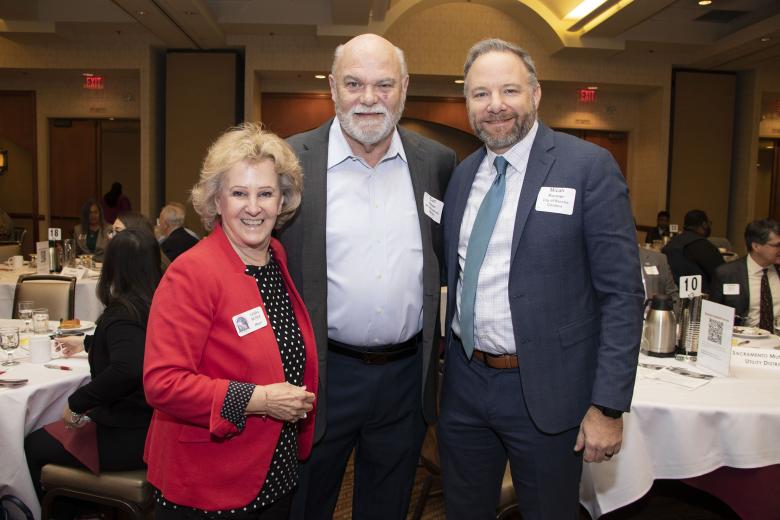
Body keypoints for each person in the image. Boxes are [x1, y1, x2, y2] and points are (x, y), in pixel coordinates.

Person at [438, 39, 644, 519]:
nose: (496, 106)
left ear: (535, 94)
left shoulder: (587, 167)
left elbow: (622, 294)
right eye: (480, 94)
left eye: (509, 90)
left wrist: (608, 407)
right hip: (465, 386)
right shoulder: (464, 175)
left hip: (549, 392)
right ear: (467, 103)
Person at [277, 33, 456, 520]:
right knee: (305, 505)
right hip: (319, 375)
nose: (369, 98)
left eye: (384, 84)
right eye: (354, 84)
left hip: (405, 379)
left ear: (404, 88)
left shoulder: (437, 163)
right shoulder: (290, 162)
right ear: (333, 87)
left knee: (387, 505)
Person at [143, 123, 317, 519]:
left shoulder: (275, 258)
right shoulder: (192, 272)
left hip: (275, 472)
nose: (253, 207)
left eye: (266, 193)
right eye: (239, 193)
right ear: (216, 201)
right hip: (209, 484)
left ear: (282, 200)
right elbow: (162, 383)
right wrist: (261, 400)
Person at [24, 228, 161, 498]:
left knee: (32, 445)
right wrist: (88, 343)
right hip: (156, 428)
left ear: (113, 266)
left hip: (130, 434)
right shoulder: (159, 302)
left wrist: (77, 402)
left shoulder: (125, 311)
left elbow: (129, 367)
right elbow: (141, 345)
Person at [710, 219, 780, 328]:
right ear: (756, 246)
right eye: (777, 245)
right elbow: (712, 318)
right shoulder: (727, 274)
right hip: (741, 341)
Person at [661, 209, 724, 294]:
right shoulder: (703, 245)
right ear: (704, 224)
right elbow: (722, 274)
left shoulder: (670, 243)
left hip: (672, 295)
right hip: (699, 299)